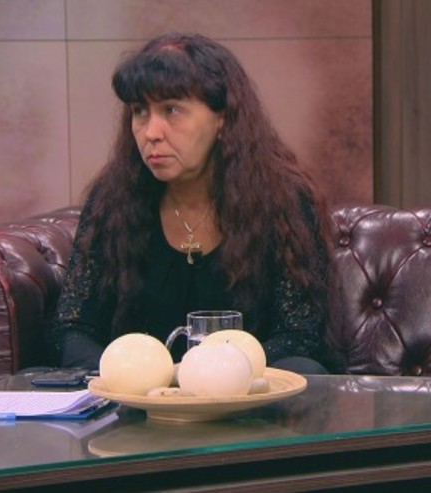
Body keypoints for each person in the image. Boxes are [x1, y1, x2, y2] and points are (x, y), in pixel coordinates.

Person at [46, 33, 338, 375]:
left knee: (303, 369)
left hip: (246, 391)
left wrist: (204, 375)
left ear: (222, 118)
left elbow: (300, 335)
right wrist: (133, 377)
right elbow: (73, 327)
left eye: (171, 110)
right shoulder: (112, 198)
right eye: (140, 111)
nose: (151, 132)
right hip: (140, 394)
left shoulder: (283, 197)